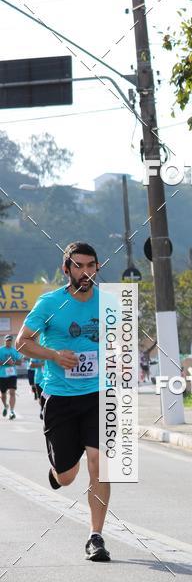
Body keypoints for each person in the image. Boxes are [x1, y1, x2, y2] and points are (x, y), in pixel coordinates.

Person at [16, 241, 111, 562]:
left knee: (100, 463)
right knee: (68, 475)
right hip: (60, 397)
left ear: (98, 267)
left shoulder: (110, 303)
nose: (86, 272)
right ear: (66, 268)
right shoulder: (50, 303)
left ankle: (95, 537)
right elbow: (22, 343)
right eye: (79, 266)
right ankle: (58, 473)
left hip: (99, 395)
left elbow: (125, 343)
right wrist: (54, 355)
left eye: (92, 265)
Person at [0, 333, 22, 420]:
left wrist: (13, 362)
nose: (8, 342)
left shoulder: (14, 351)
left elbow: (19, 362)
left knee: (12, 392)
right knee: (3, 394)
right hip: (2, 375)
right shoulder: (1, 350)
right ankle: (5, 406)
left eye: (10, 340)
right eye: (7, 340)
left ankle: (12, 411)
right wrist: (5, 362)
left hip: (12, 374)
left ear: (12, 341)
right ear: (5, 341)